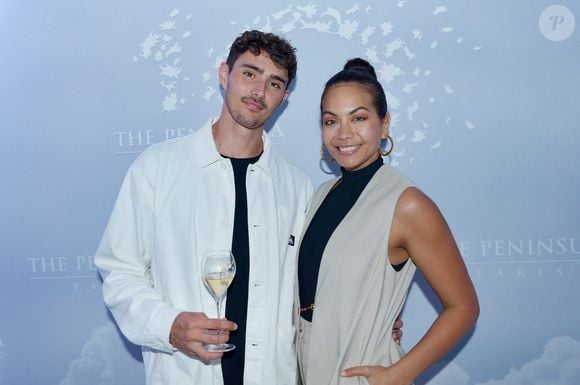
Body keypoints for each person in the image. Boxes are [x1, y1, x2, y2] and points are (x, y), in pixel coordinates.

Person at [95, 30, 313, 385]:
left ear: (284, 98)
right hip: (183, 374)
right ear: (224, 74)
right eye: (249, 74)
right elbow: (119, 270)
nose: (259, 91)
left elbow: (312, 289)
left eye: (274, 83)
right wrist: (168, 326)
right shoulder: (157, 168)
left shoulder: (297, 186)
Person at [295, 58, 479, 385]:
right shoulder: (322, 194)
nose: (344, 134)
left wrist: (398, 374)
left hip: (361, 374)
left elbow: (463, 308)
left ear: (384, 124)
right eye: (331, 121)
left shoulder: (407, 204)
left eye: (359, 118)